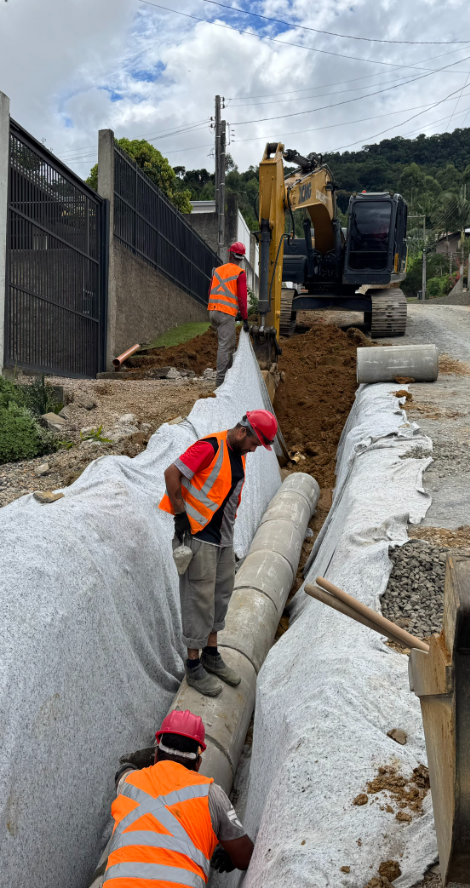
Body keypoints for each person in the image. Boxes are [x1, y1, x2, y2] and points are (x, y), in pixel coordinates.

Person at [159, 410, 278, 697]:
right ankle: (193, 663)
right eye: (254, 443)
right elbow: (171, 473)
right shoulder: (210, 447)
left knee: (220, 594)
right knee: (197, 598)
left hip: (223, 538)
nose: (254, 449)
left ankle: (211, 653)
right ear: (242, 432)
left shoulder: (238, 454)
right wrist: (180, 517)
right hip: (198, 535)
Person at [102, 710, 255, 885]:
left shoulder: (130, 783)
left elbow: (122, 773)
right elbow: (245, 856)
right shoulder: (211, 793)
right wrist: (230, 856)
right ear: (198, 764)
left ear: (157, 755)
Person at [207, 243, 249, 388]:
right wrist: (245, 318)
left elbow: (211, 291)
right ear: (241, 258)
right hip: (225, 314)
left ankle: (229, 379)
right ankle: (220, 382)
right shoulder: (240, 273)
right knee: (226, 347)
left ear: (230, 254)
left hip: (213, 312)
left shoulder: (218, 270)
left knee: (229, 345)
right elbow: (242, 299)